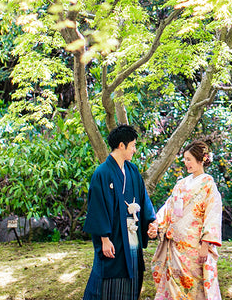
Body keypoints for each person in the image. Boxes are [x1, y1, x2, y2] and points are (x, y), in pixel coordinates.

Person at [83, 125, 156, 300]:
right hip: (113, 235)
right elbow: (97, 207)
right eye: (133, 145)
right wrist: (104, 239)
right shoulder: (102, 173)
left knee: (132, 272)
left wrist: (151, 222)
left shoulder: (132, 171)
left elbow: (143, 199)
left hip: (132, 233)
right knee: (109, 275)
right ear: (121, 145)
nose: (135, 150)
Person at [148, 140, 223, 300]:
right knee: (174, 289)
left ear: (201, 159)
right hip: (175, 245)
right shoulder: (181, 184)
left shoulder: (208, 184)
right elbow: (169, 207)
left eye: (189, 159)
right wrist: (156, 223)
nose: (185, 162)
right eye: (185, 159)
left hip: (195, 248)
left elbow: (212, 215)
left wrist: (205, 245)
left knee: (195, 290)